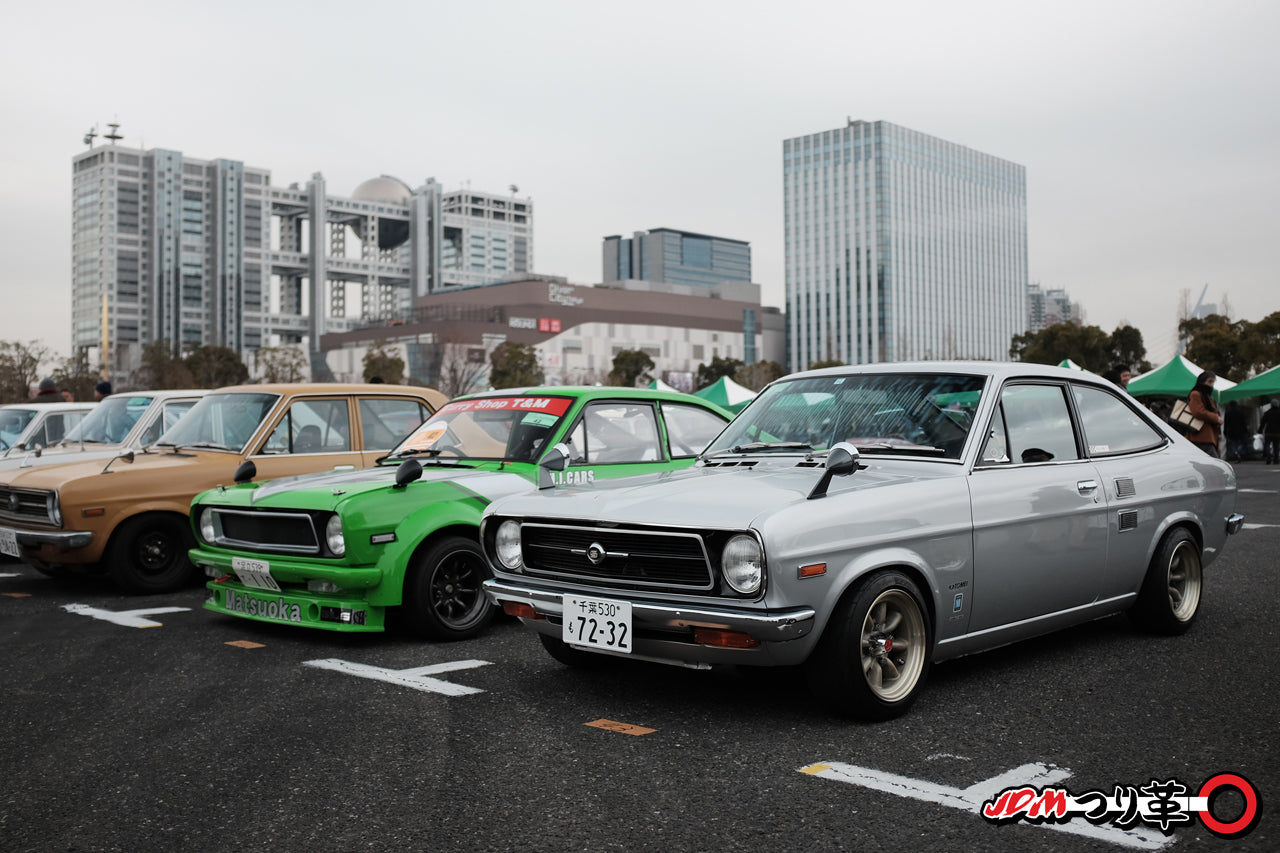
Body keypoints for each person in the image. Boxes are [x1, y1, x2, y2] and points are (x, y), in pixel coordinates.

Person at [1185, 371, 1223, 457]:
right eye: (1209, 381)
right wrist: (1216, 418)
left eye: (1213, 382)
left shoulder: (1208, 397)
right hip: (1201, 436)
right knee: (1214, 465)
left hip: (1209, 437)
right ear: (1202, 382)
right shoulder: (1196, 394)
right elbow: (1198, 412)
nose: (1211, 384)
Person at [1261, 399, 1280, 465]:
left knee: (1267, 445)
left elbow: (1263, 422)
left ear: (1271, 405)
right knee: (1276, 446)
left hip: (1268, 432)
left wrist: (1260, 430)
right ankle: (1276, 459)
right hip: (1277, 433)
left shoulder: (1267, 412)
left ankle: (1268, 457)